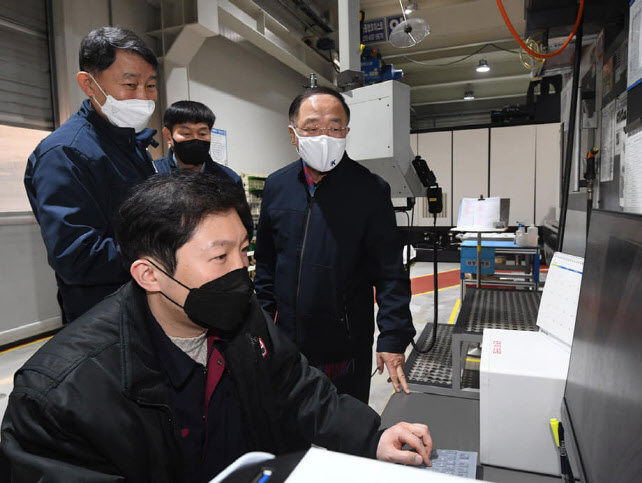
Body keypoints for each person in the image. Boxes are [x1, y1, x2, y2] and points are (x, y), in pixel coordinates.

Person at [1, 172, 433, 482]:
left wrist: (371, 436)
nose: (240, 273)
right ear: (149, 274)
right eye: (219, 257)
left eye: (244, 252)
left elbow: (295, 387)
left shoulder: (243, 318)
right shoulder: (59, 394)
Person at [254, 86, 415, 403]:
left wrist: (393, 337)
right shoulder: (277, 186)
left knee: (346, 432)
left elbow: (389, 273)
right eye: (312, 128)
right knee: (285, 429)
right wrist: (261, 324)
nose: (324, 136)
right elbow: (266, 263)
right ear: (293, 134)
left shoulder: (370, 189)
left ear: (346, 132)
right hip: (284, 341)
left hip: (344, 345)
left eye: (335, 127)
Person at [24, 26, 159, 323]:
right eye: (130, 84)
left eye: (150, 86)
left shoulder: (131, 143)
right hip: (103, 316)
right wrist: (162, 248)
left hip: (147, 303)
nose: (143, 97)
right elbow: (76, 257)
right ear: (88, 84)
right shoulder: (64, 154)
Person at [154, 100, 253, 238]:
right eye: (186, 134)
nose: (195, 139)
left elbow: (244, 228)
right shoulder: (153, 174)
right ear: (168, 136)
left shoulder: (228, 179)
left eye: (202, 134)